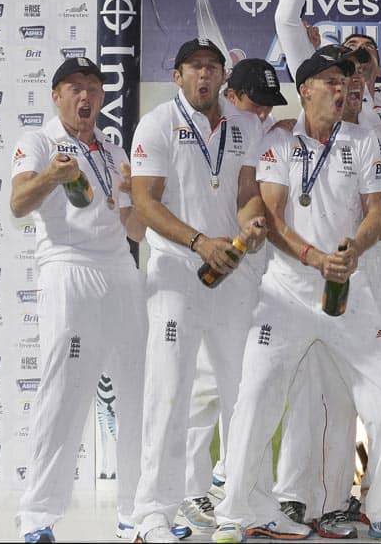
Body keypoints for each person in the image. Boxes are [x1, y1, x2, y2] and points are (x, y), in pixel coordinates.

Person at [212, 49, 381, 544]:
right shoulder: (278, 141)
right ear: (305, 90)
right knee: (256, 396)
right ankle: (233, 513)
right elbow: (274, 216)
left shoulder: (364, 140)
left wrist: (352, 248)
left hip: (349, 288)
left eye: (345, 81)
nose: (342, 88)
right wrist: (314, 257)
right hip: (285, 294)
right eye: (329, 80)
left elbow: (375, 212)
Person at [129, 39, 270, 543]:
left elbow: (247, 193)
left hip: (231, 271)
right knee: (169, 391)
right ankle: (151, 515)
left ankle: (241, 506)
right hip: (176, 273)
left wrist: (253, 225)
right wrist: (197, 241)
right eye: (195, 68)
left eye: (213, 68)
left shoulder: (246, 126)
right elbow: (144, 202)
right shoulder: (157, 124)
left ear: (223, 77)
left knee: (244, 390)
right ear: (178, 75)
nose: (205, 76)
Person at [12, 58, 147, 543]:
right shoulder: (40, 141)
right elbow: (18, 204)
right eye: (75, 88)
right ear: (57, 95)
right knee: (63, 394)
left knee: (137, 394)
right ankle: (37, 517)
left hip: (122, 273)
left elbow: (131, 228)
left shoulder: (112, 149)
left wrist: (136, 198)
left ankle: (136, 510)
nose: (86, 96)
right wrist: (51, 175)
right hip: (68, 269)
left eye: (94, 87)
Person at [180, 58, 290, 530]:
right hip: (205, 266)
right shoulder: (207, 125)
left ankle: (236, 484)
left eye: (268, 108)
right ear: (231, 93)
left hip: (253, 272)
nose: (262, 114)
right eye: (255, 104)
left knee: (244, 384)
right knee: (204, 384)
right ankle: (189, 488)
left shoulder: (263, 131)